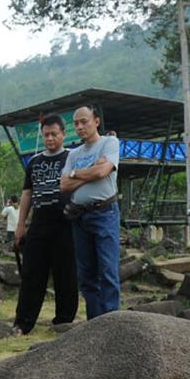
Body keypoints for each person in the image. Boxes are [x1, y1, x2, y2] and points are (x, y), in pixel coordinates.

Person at [12, 114, 78, 335]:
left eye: (54, 134)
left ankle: (64, 321)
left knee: (65, 273)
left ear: (63, 134)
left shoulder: (73, 157)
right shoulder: (34, 161)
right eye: (46, 135)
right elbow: (27, 194)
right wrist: (21, 224)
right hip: (39, 223)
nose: (50, 138)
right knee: (32, 273)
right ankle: (23, 323)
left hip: (66, 222)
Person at [60, 105, 122, 319]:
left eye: (83, 121)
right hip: (79, 216)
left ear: (96, 121)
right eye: (76, 123)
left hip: (104, 213)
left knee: (108, 271)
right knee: (86, 275)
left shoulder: (109, 143)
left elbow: (103, 171)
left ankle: (112, 322)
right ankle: (94, 324)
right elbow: (64, 185)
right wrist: (89, 172)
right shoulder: (73, 153)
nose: (79, 126)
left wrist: (75, 174)